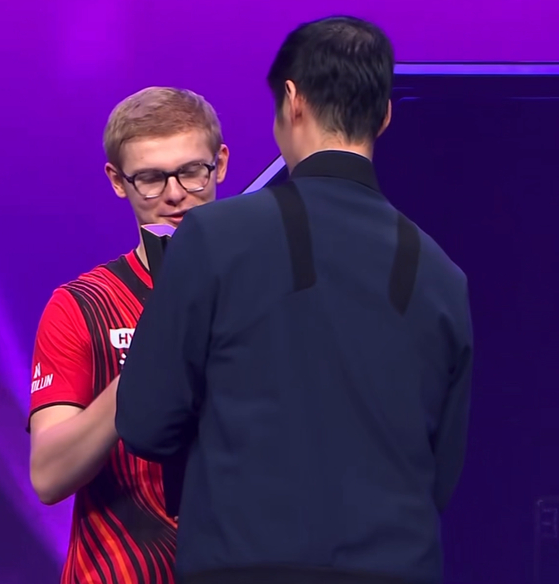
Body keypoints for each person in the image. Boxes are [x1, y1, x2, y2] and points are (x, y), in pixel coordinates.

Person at [115, 16, 473, 584]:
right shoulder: (443, 275)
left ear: (292, 100)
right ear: (384, 115)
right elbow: (444, 470)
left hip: (243, 564)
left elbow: (145, 423)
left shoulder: (212, 237)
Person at [27, 86, 230, 584]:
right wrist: (150, 363)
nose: (175, 194)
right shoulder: (82, 305)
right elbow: (49, 476)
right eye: (151, 178)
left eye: (192, 171)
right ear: (118, 181)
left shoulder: (269, 292)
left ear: (220, 164)